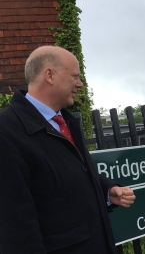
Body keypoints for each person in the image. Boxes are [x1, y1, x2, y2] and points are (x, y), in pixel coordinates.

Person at [0, 46, 136, 253]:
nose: (80, 84)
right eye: (75, 76)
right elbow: (15, 227)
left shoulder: (64, 121)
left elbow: (70, 174)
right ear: (49, 75)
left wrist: (107, 191)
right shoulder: (7, 131)